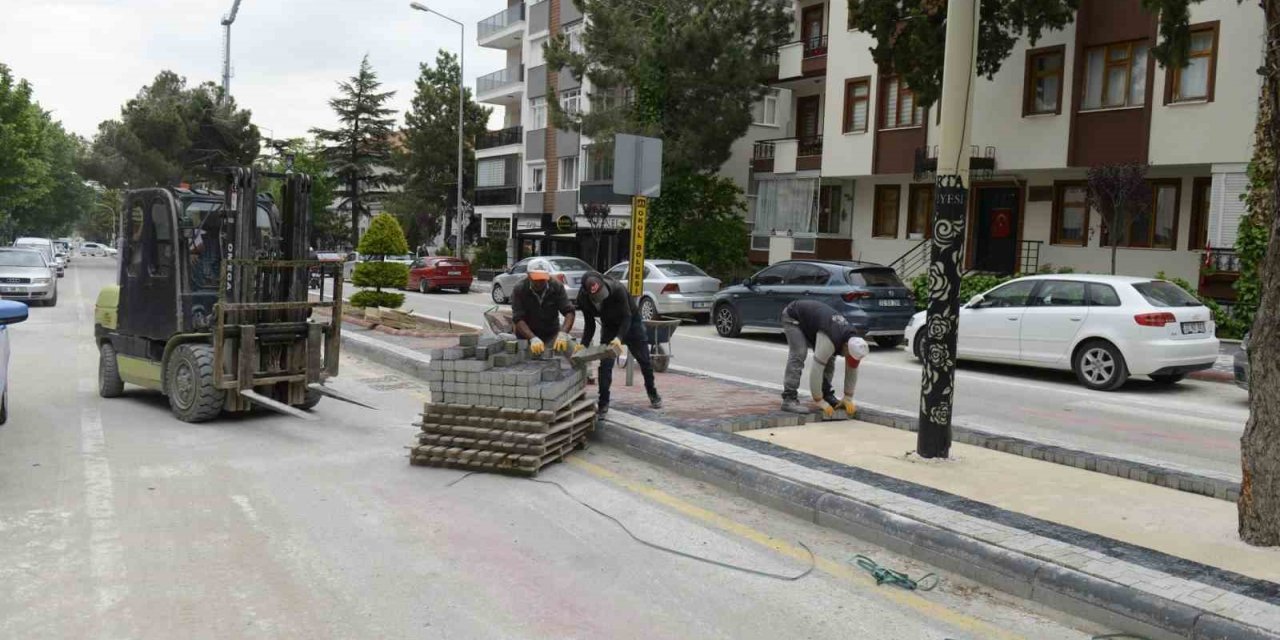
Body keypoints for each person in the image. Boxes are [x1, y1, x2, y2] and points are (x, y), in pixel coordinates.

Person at [575, 272, 662, 416]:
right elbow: (590, 324)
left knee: (645, 361)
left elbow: (626, 316)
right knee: (606, 365)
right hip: (609, 326)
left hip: (631, 323)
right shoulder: (583, 299)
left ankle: (653, 393)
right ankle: (603, 403)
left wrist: (619, 338)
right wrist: (583, 344)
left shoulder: (617, 289)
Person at [779, 299, 869, 417]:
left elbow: (852, 369)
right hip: (794, 317)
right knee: (799, 353)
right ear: (846, 346)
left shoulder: (854, 342)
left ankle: (827, 394)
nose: (846, 357)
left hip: (817, 323)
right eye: (847, 355)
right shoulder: (831, 339)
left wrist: (848, 397)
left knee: (829, 358)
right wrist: (819, 401)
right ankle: (789, 398)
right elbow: (817, 369)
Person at [510, 259, 576, 356]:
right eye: (535, 279)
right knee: (531, 366)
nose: (539, 283)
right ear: (528, 275)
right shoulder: (520, 289)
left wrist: (563, 334)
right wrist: (533, 338)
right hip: (527, 336)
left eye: (542, 279)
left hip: (552, 334)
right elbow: (518, 318)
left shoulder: (556, 286)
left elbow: (569, 311)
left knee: (574, 352)